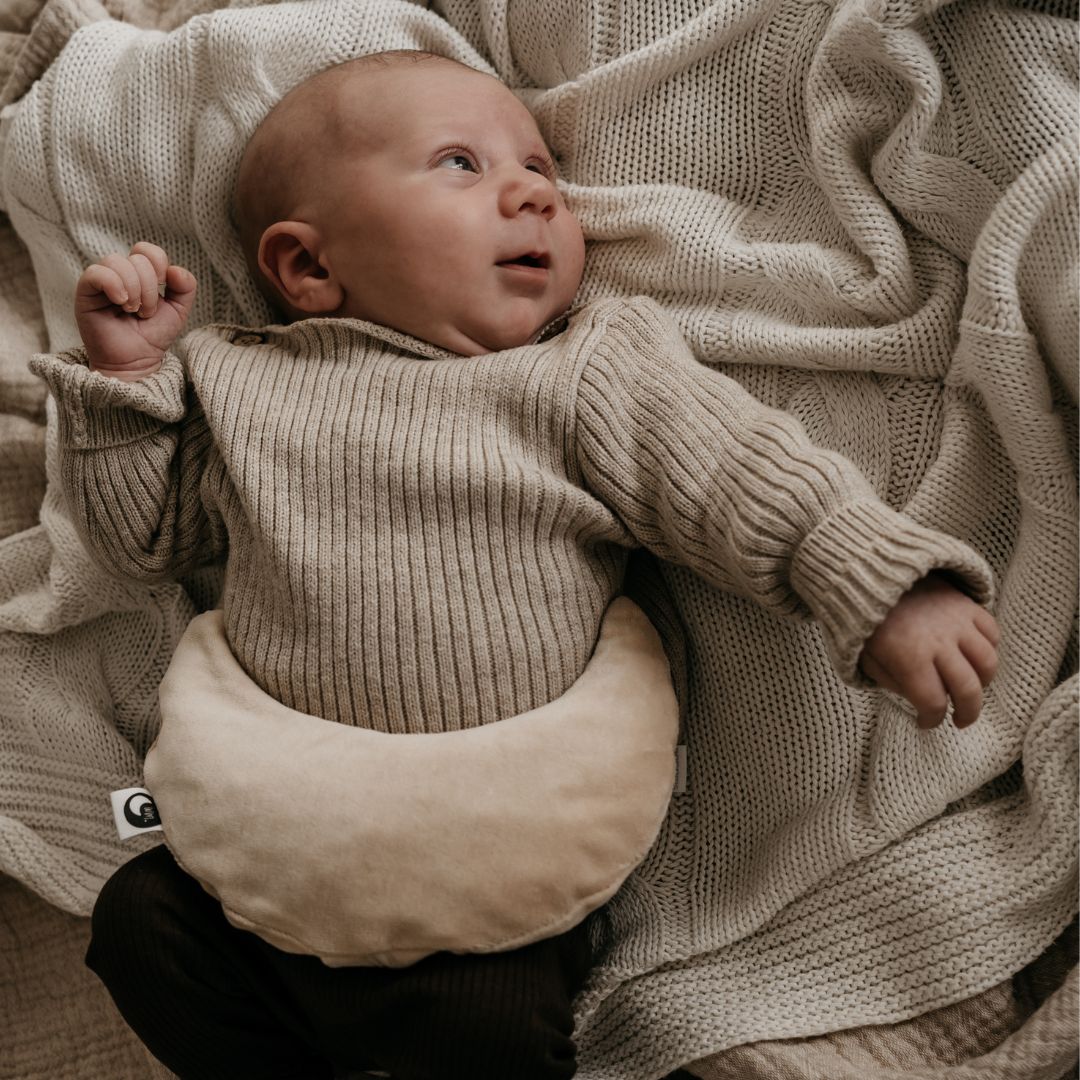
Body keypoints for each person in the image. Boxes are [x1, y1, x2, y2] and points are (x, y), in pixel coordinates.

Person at [31, 50, 1000, 1080]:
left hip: (490, 865)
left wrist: (880, 581)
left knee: (482, 1027)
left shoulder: (581, 373)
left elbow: (745, 477)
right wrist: (125, 382)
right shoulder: (235, 381)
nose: (534, 190)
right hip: (269, 839)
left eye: (537, 166)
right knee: (139, 925)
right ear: (309, 268)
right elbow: (144, 543)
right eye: (461, 163)